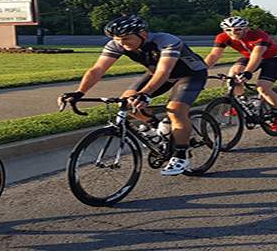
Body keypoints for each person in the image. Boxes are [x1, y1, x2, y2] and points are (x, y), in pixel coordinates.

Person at [59, 15, 209, 176]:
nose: (122, 43)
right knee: (126, 103)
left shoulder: (166, 40)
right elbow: (97, 70)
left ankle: (181, 155)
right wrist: (79, 92)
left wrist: (145, 94)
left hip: (190, 74)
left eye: (126, 39)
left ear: (143, 34)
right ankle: (157, 130)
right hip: (156, 73)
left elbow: (163, 71)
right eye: (118, 39)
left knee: (176, 110)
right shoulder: (117, 44)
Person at [202, 16, 277, 132]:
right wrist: (201, 70)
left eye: (237, 29)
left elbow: (257, 55)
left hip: (273, 59)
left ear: (246, 29)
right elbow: (214, 55)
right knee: (233, 75)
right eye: (228, 30)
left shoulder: (259, 35)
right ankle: (243, 103)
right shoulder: (223, 37)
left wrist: (248, 72)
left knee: (262, 88)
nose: (233, 33)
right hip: (249, 57)